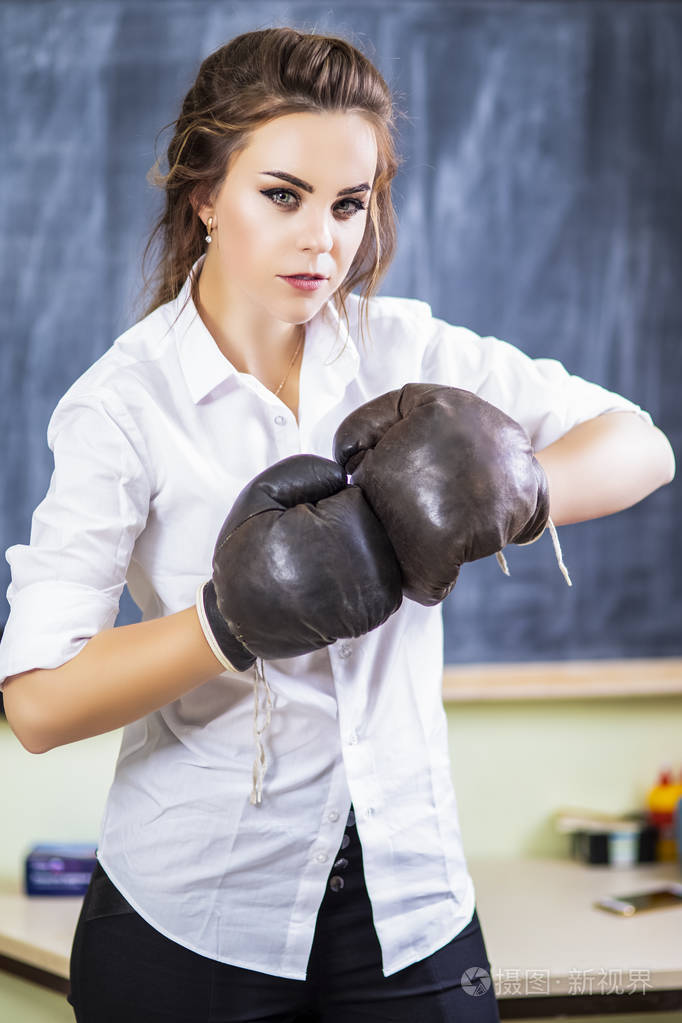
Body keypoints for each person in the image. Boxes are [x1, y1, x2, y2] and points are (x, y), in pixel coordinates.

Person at [0, 26, 674, 1023]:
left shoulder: (406, 351)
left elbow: (642, 445)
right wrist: (225, 624)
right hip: (196, 917)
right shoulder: (123, 405)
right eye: (283, 195)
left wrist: (514, 489)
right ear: (205, 197)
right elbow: (38, 704)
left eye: (349, 204)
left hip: (414, 905)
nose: (323, 238)